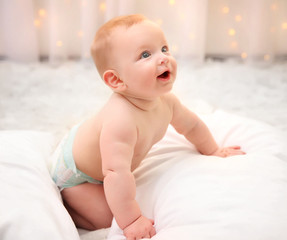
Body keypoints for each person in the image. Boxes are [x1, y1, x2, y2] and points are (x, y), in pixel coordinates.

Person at [50, 14, 245, 240]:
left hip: (100, 154)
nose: (163, 58)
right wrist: (131, 221)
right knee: (108, 217)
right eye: (145, 55)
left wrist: (212, 150)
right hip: (77, 174)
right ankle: (71, 206)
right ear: (116, 80)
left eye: (164, 48)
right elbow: (115, 173)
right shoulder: (120, 120)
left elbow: (191, 125)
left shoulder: (167, 102)